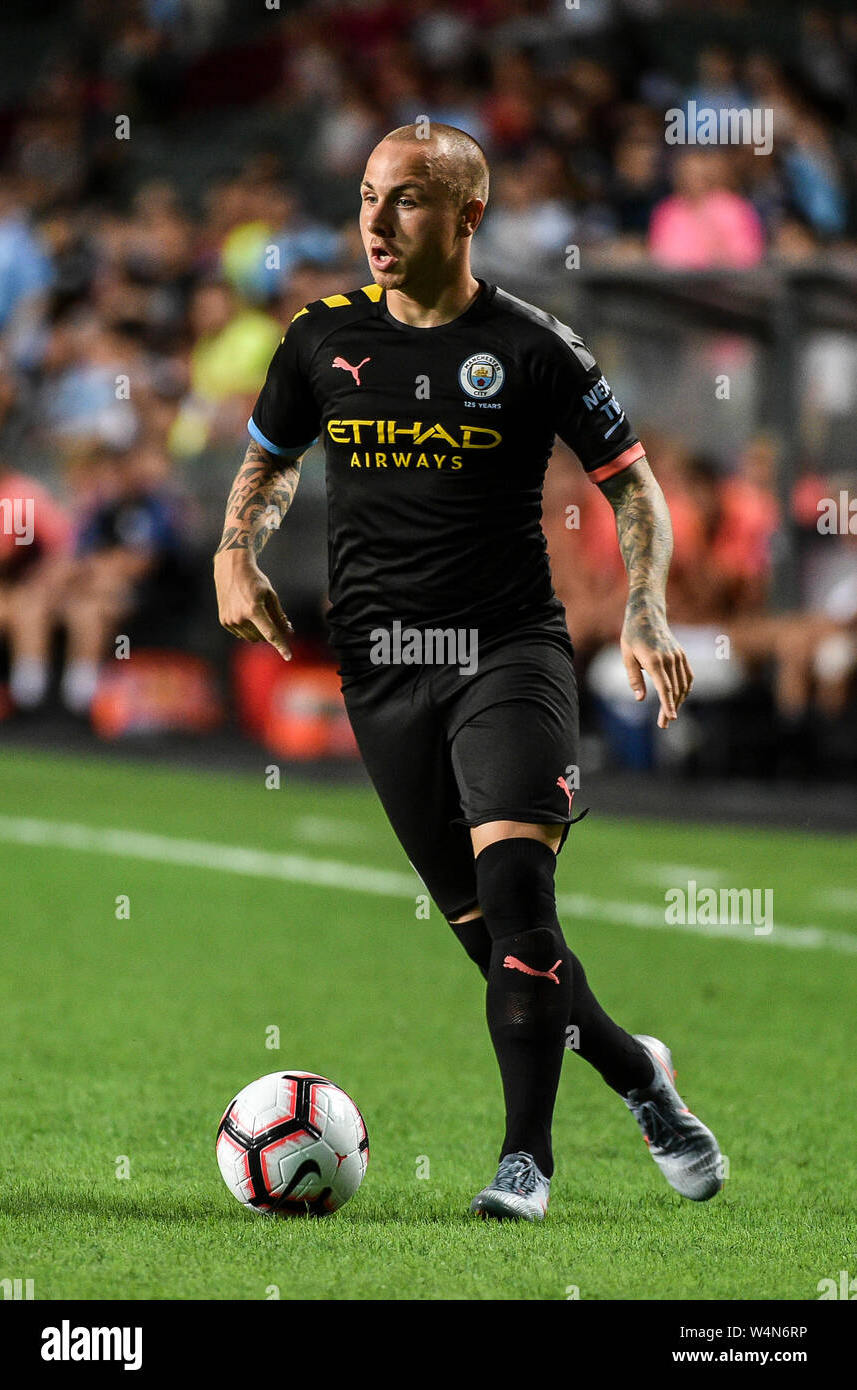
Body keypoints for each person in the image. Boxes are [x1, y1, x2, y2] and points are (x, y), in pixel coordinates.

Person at [214, 123, 723, 1221]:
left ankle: (522, 1163)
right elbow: (268, 459)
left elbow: (631, 488)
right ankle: (639, 1074)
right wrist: (232, 550)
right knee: (495, 943)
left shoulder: (534, 348)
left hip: (507, 651)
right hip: (383, 669)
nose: (375, 221)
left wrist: (641, 608)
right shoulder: (319, 338)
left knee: (516, 890)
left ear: (464, 216)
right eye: (365, 197)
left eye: (403, 201)